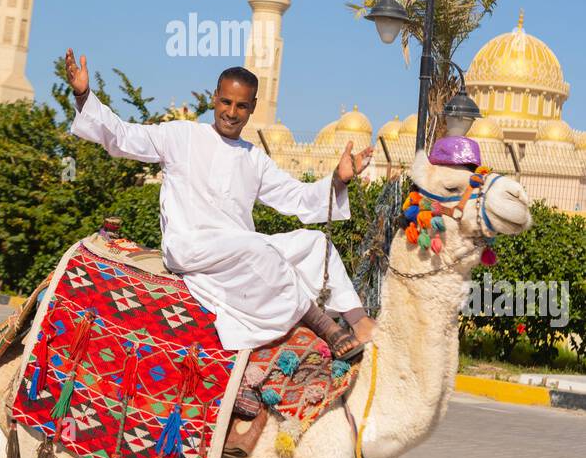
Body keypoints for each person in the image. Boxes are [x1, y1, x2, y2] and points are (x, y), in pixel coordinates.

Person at [66, 50, 376, 422]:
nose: (231, 112)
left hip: (238, 254)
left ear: (252, 108)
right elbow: (122, 136)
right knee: (254, 245)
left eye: (241, 106)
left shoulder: (253, 157)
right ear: (214, 98)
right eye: (226, 102)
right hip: (191, 247)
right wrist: (85, 96)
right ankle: (323, 325)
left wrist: (339, 178)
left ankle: (358, 320)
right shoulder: (180, 136)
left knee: (314, 244)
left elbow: (297, 198)